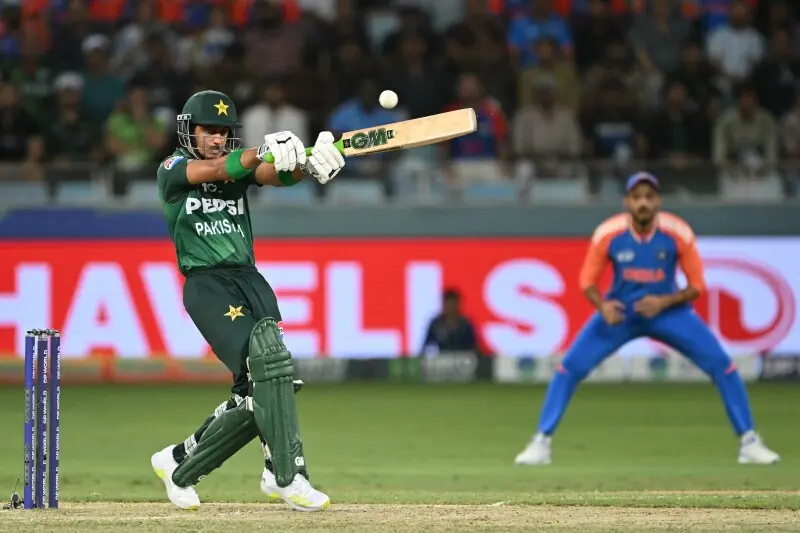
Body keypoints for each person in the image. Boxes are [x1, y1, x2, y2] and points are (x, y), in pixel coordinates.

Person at [150, 89, 345, 511]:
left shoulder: (237, 170)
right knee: (268, 371)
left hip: (249, 279)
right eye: (210, 131)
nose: (218, 139)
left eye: (224, 133)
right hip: (207, 284)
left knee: (265, 385)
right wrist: (263, 151)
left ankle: (180, 462)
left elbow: (274, 176)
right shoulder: (174, 168)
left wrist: (305, 166)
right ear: (189, 131)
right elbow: (222, 167)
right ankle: (288, 476)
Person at [513, 172, 780, 466]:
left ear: (658, 202)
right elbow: (587, 281)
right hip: (622, 313)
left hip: (669, 312)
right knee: (569, 368)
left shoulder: (678, 233)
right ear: (627, 201)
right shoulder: (609, 233)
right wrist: (602, 307)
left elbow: (696, 287)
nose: (643, 203)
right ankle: (541, 442)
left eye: (649, 197)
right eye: (637, 197)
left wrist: (662, 302)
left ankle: (749, 442)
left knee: (723, 365)